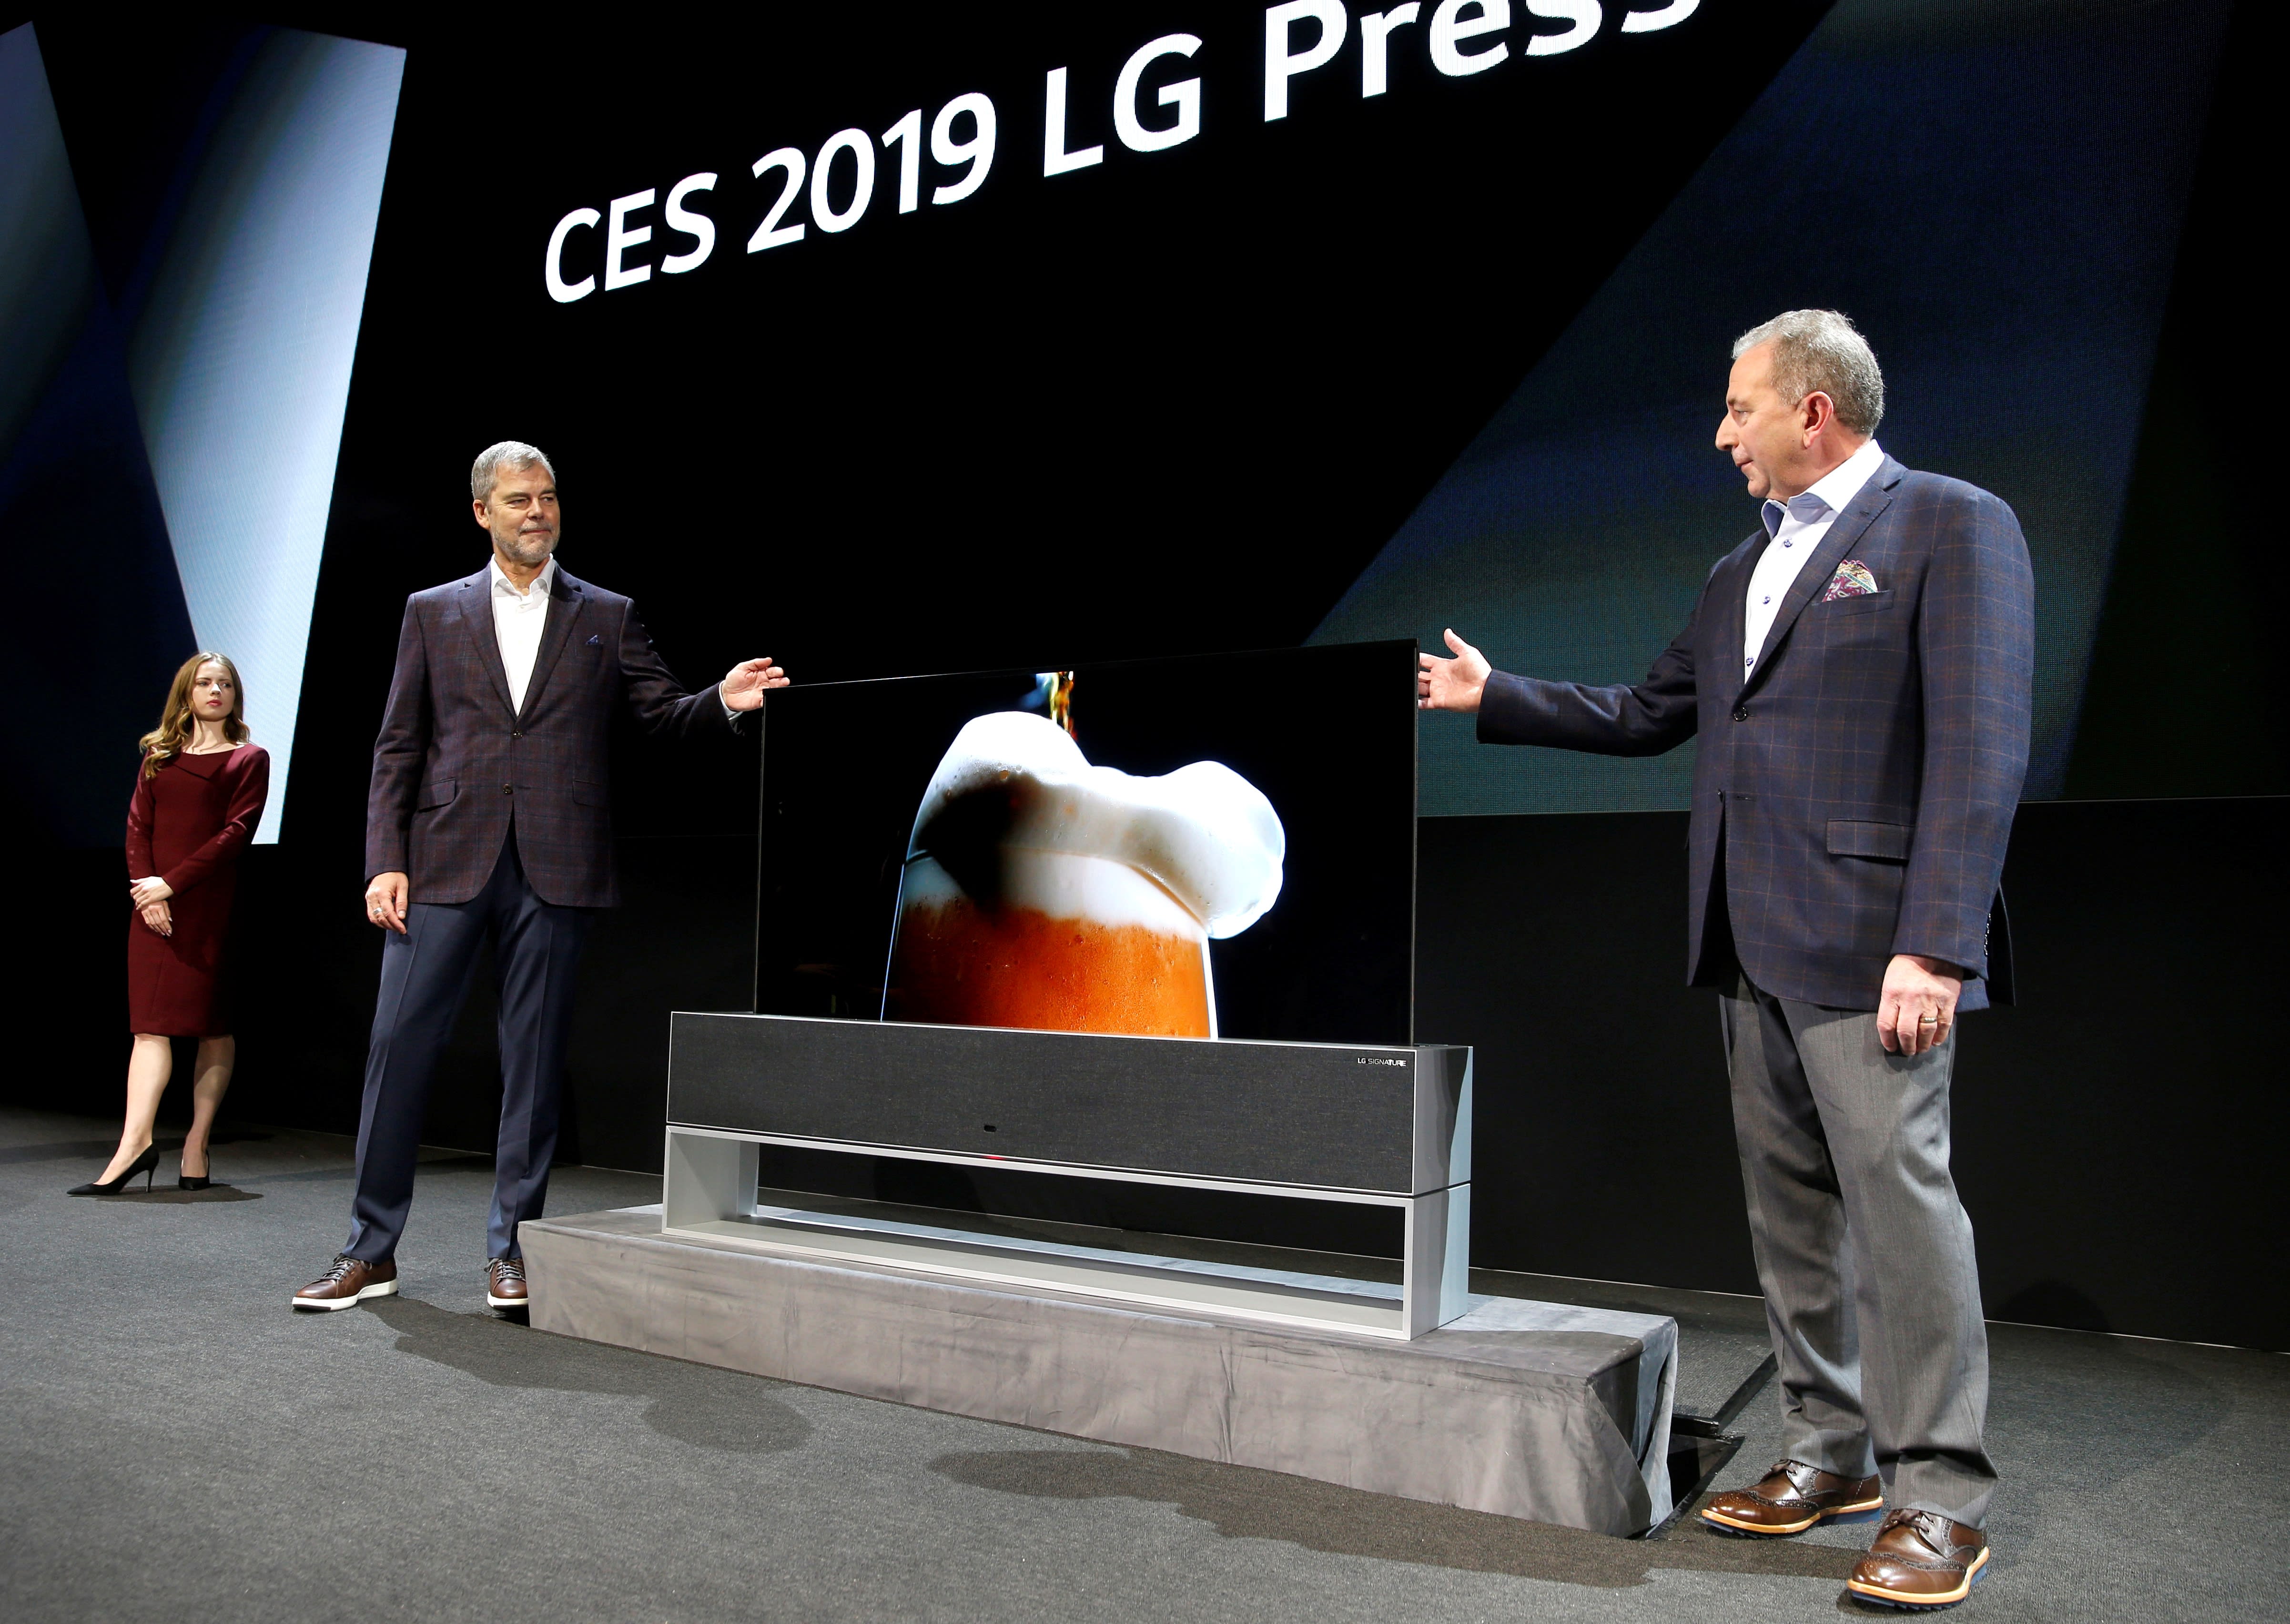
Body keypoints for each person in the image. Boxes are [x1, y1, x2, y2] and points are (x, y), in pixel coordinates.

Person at [1419, 311, 2031, 1611]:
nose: (1718, 434)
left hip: (1873, 945)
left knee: (1902, 1217)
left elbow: (1978, 748)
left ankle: (1939, 1496)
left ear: (1812, 408)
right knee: (1789, 1216)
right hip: (1744, 935)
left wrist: (1934, 943)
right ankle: (1828, 1451)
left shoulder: (1947, 523)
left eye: (1737, 408)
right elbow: (1653, 714)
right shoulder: (1734, 569)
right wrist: (1499, 695)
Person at [292, 442, 787, 1314]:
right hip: (443, 858)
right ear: (482, 511)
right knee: (398, 1048)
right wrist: (384, 859)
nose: (538, 512)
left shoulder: (606, 613)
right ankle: (371, 1248)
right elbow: (398, 744)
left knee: (532, 1065)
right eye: (520, 499)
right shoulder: (431, 611)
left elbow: (659, 713)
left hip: (557, 864)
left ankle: (512, 1249)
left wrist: (721, 700)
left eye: (548, 497)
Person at [71, 654, 270, 1196]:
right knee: (148, 1027)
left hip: (209, 906)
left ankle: (196, 1146)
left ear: (235, 695)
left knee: (212, 1026)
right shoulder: (159, 757)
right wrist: (146, 890)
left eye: (225, 684)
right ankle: (134, 1145)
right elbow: (138, 826)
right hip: (152, 907)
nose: (216, 691)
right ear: (187, 692)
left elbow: (236, 833)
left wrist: (171, 885)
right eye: (205, 683)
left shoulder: (248, 759)